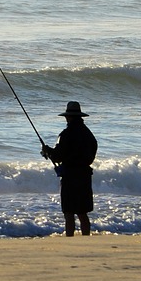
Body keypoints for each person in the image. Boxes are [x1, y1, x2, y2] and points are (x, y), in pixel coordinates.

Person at [41, 101, 99, 236]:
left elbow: (57, 156)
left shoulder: (66, 134)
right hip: (84, 175)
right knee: (82, 212)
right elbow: (92, 151)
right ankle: (86, 238)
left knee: (69, 212)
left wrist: (47, 150)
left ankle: (70, 238)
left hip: (70, 176)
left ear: (69, 117)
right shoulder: (88, 134)